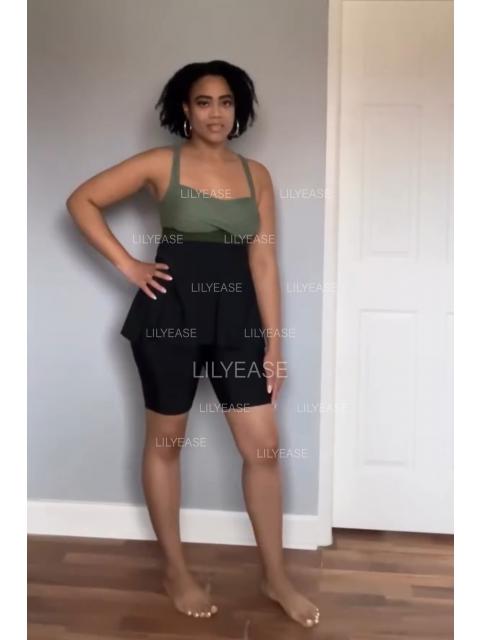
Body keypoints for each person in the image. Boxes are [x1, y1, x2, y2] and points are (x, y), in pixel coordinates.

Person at [66, 59, 320, 628]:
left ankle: (276, 576)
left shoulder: (257, 175)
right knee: (166, 443)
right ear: (186, 109)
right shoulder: (162, 163)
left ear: (238, 111)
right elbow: (82, 201)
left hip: (237, 321)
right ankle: (176, 570)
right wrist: (129, 265)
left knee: (264, 449)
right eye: (204, 102)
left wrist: (274, 346)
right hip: (170, 317)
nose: (216, 113)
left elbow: (263, 261)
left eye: (226, 102)